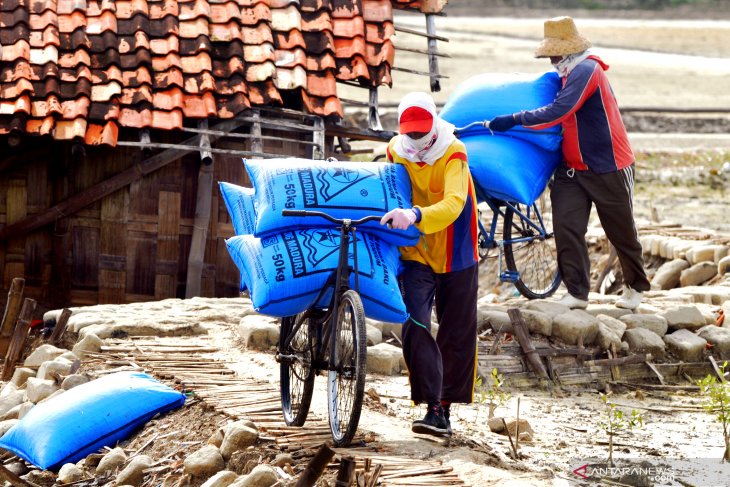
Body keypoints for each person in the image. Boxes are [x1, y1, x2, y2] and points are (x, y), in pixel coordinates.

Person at [488, 16, 650, 310]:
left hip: (609, 165)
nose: (550, 59)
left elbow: (561, 110)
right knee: (567, 227)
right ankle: (577, 293)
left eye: (554, 53)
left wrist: (514, 120)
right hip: (572, 168)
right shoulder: (565, 73)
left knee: (620, 230)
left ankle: (636, 286)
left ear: (568, 50)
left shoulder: (588, 70)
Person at [380, 92, 479, 437]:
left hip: (457, 251)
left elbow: (454, 203)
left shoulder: (453, 151)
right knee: (416, 322)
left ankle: (443, 411)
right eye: (411, 133)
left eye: (422, 132)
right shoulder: (396, 149)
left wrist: (415, 214)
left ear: (434, 125)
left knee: (456, 332)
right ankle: (430, 403)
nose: (417, 139)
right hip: (416, 251)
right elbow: (388, 187)